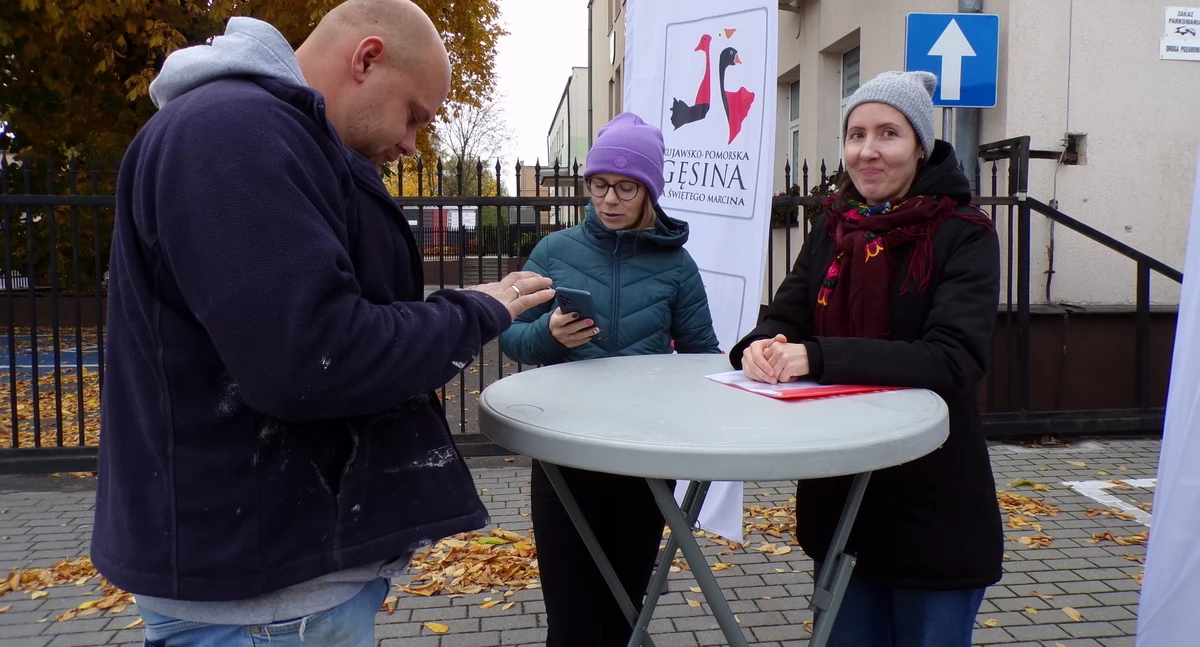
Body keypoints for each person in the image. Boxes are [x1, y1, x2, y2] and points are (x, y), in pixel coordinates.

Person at [91, 1, 555, 645]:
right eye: (415, 114)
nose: (411, 143)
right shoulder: (233, 135)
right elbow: (313, 358)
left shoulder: (268, 136)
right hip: (262, 605)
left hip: (271, 583)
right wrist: (476, 311)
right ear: (367, 59)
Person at [730, 71, 1003, 646]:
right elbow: (789, 310)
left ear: (921, 146)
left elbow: (951, 359)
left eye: (888, 134)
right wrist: (762, 345)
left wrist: (816, 356)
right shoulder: (834, 225)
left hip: (931, 508)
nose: (868, 150)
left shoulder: (964, 233)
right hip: (842, 505)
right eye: (856, 134)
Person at [499, 112, 721, 646]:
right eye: (599, 184)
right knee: (570, 619)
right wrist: (550, 336)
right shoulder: (554, 252)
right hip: (564, 454)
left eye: (626, 187)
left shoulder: (677, 265)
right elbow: (510, 337)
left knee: (624, 611)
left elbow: (703, 357)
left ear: (650, 191)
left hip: (643, 457)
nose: (609, 199)